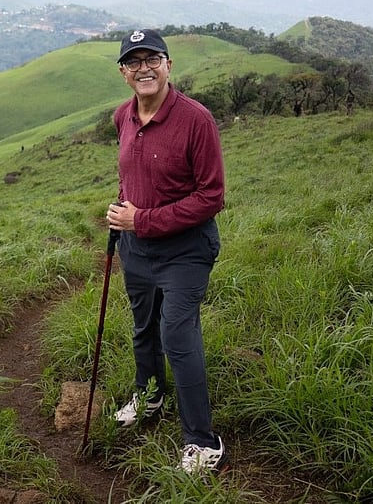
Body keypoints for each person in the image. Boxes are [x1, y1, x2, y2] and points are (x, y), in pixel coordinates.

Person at [106, 29, 227, 475]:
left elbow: (211, 197)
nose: (144, 68)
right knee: (143, 328)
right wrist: (123, 210)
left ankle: (203, 441)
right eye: (133, 62)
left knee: (176, 333)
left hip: (185, 250)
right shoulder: (123, 117)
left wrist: (142, 220)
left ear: (168, 64)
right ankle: (151, 393)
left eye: (152, 58)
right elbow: (131, 173)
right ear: (124, 73)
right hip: (136, 249)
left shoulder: (196, 120)